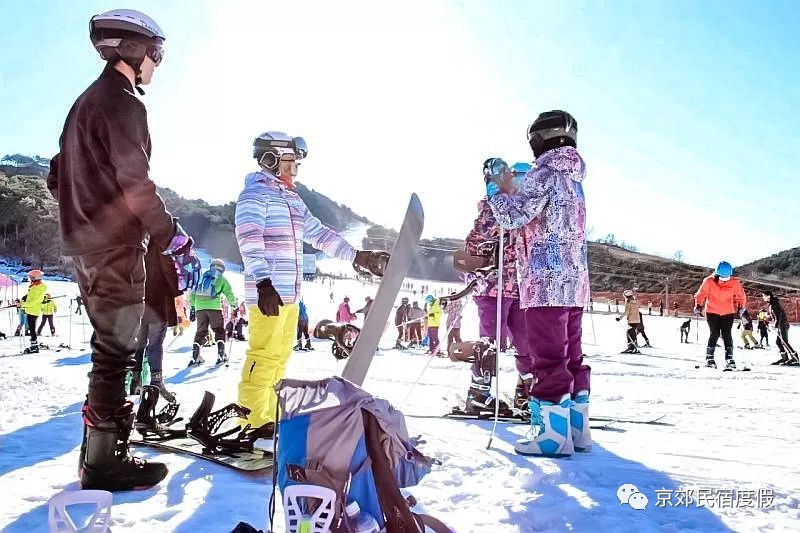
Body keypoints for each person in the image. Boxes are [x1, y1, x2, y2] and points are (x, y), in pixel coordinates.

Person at [47, 9, 200, 491]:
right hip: (113, 246)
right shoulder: (124, 102)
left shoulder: (84, 104)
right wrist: (171, 234)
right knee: (116, 351)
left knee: (109, 348)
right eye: (157, 52)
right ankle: (103, 463)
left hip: (84, 245)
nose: (159, 63)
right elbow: (137, 183)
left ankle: (98, 453)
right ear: (133, 50)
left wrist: (84, 208)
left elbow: (57, 175)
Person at [234, 130, 388, 433]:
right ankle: (250, 420)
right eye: (289, 162)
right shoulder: (254, 195)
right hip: (268, 293)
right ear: (270, 159)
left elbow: (318, 233)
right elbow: (248, 239)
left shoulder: (291, 199)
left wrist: (356, 256)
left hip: (290, 296)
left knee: (279, 358)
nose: (294, 169)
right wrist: (263, 282)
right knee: (263, 356)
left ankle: (267, 417)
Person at [486, 110, 590, 457]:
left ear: (539, 139)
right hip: (574, 284)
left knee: (546, 358)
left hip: (544, 283)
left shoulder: (542, 173)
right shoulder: (574, 179)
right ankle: (577, 431)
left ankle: (552, 437)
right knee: (572, 355)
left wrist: (493, 188)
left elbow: (512, 216)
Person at [464, 162, 528, 411]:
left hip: (520, 289)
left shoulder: (527, 210)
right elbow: (474, 243)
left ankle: (526, 391)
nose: (522, 185)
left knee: (527, 342)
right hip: (493, 287)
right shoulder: (494, 208)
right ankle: (479, 393)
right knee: (491, 341)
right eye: (518, 179)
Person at [130, 245, 181, 401]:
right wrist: (178, 292)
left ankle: (135, 381)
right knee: (155, 344)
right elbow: (170, 271)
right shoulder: (161, 244)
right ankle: (156, 382)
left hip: (137, 301)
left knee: (139, 343)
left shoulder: (136, 241)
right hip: (158, 304)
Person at [694, 261, 745, 369]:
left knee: (727, 334)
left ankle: (729, 358)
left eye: (727, 277)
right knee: (715, 333)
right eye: (722, 277)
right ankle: (709, 358)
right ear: (717, 274)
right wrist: (698, 305)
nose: (724, 279)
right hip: (712, 311)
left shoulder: (734, 282)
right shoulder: (708, 281)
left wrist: (741, 307)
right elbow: (701, 294)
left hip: (728, 312)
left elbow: (741, 296)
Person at [189, 258, 237, 366]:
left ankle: (195, 356)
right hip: (214, 308)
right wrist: (234, 305)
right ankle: (221, 354)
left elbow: (192, 293)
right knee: (219, 330)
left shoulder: (202, 277)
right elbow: (229, 293)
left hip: (199, 308)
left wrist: (192, 308)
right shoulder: (221, 279)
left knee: (200, 332)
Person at [762, 291, 798, 365]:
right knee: (778, 342)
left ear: (768, 296)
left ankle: (795, 358)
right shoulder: (772, 304)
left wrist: (776, 326)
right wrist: (767, 317)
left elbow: (779, 316)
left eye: (764, 296)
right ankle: (784, 358)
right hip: (781, 325)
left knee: (784, 342)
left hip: (782, 325)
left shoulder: (774, 304)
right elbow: (774, 316)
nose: (763, 298)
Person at [22, 270, 47, 352]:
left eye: (31, 277)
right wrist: (22, 301)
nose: (30, 279)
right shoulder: (34, 286)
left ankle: (34, 346)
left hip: (33, 310)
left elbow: (34, 301)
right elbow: (30, 297)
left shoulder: (39, 288)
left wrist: (23, 304)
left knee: (32, 329)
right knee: (31, 329)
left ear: (34, 278)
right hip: (30, 310)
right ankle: (34, 344)